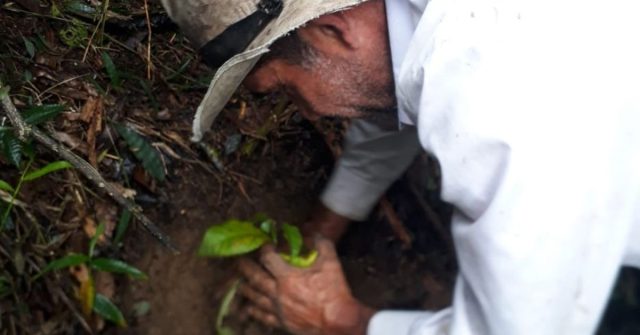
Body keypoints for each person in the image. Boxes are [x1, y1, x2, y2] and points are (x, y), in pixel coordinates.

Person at [160, 0, 640, 334]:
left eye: (286, 87)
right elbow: (392, 101)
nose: (306, 111)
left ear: (331, 29)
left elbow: (525, 327)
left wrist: (340, 320)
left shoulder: (499, 107)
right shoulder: (433, 26)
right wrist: (321, 232)